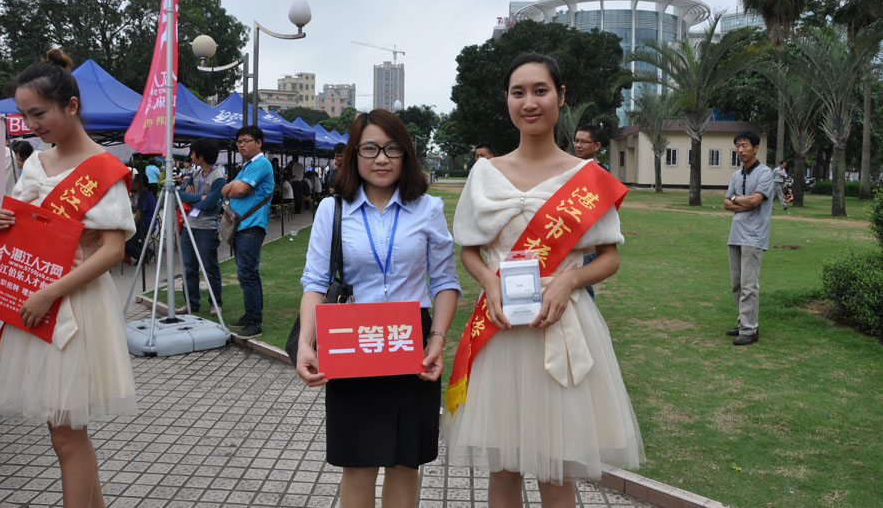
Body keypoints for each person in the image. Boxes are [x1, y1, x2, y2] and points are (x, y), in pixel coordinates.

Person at [445, 53, 643, 507]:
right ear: (507, 100)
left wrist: (568, 281)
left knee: (556, 473)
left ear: (561, 96)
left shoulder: (587, 177)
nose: (529, 102)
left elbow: (609, 258)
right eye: (518, 92)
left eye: (540, 90)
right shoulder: (484, 174)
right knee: (503, 470)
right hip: (500, 332)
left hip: (562, 327)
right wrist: (488, 281)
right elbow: (470, 250)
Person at [0, 49, 137, 507]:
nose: (32, 125)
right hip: (37, 300)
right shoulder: (34, 164)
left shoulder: (105, 169)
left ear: (71, 106)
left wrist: (49, 293)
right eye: (25, 115)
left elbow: (113, 250)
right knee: (66, 433)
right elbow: (27, 227)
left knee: (67, 436)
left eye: (39, 113)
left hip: (74, 305)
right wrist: (0, 221)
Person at [297, 109, 461, 507]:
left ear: (406, 154)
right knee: (357, 463)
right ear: (354, 154)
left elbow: (444, 282)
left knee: (405, 463)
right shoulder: (332, 209)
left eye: (392, 149)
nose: (382, 159)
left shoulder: (428, 208)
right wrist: (305, 343)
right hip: (352, 342)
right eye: (370, 149)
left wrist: (437, 339)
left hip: (411, 342)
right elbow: (315, 281)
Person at [222, 125, 274, 339]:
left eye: (246, 141)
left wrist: (235, 186)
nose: (241, 145)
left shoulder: (261, 163)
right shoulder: (248, 166)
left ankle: (254, 322)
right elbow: (225, 190)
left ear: (259, 143)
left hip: (251, 226)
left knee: (247, 274)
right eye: (239, 142)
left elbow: (240, 190)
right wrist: (233, 186)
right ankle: (251, 315)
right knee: (248, 273)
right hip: (243, 226)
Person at [723, 130, 774, 346]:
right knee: (737, 284)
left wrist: (737, 200)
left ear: (756, 148)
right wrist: (740, 200)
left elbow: (756, 201)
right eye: (737, 146)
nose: (740, 150)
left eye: (745, 146)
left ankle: (750, 329)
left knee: (749, 285)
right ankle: (744, 321)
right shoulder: (736, 175)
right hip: (735, 234)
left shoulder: (765, 173)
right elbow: (726, 203)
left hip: (754, 236)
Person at [179, 138, 225, 316]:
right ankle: (191, 303)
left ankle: (215, 303)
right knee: (189, 268)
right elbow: (181, 194)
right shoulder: (196, 173)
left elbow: (210, 204)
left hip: (206, 229)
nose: (191, 156)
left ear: (201, 155)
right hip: (189, 226)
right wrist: (200, 197)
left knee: (209, 268)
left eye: (193, 153)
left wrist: (193, 198)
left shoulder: (218, 177)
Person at [573, 125, 608, 299]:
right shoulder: (569, 168)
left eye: (583, 142)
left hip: (588, 237)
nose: (578, 145)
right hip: (567, 233)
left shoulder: (603, 173)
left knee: (583, 286)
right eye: (576, 141)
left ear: (597, 145)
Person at [124, 175, 157, 264]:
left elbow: (138, 215)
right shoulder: (146, 194)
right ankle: (147, 251)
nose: (133, 183)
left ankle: (144, 256)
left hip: (145, 226)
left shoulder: (144, 196)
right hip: (147, 225)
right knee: (127, 238)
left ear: (140, 183)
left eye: (135, 181)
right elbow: (139, 209)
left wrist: (131, 227)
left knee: (124, 241)